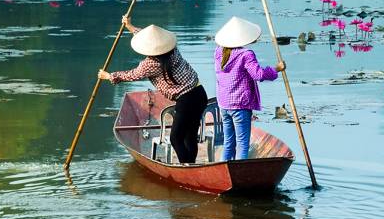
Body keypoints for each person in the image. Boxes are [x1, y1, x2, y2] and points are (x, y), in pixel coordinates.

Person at [99, 16, 207, 164]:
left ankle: (187, 168)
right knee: (189, 135)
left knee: (176, 138)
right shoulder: (174, 50)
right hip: (200, 93)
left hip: (186, 100)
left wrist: (109, 76)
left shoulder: (150, 64)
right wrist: (130, 26)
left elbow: (132, 75)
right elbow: (150, 39)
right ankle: (191, 165)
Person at [214, 16, 286, 161]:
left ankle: (225, 170)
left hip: (224, 103)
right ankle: (240, 175)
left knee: (229, 142)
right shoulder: (246, 55)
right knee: (242, 144)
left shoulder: (218, 52)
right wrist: (276, 69)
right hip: (240, 105)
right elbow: (259, 75)